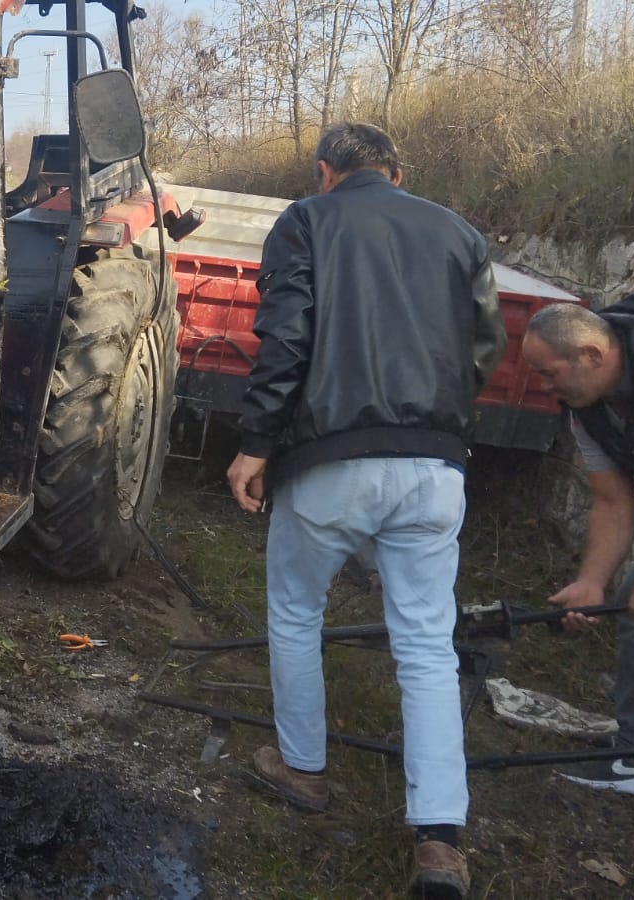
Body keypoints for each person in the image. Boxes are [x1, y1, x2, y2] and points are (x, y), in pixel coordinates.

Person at [225, 122, 505, 899]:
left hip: (331, 459)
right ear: (397, 172)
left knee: (295, 611)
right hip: (435, 467)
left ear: (325, 171)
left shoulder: (306, 221)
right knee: (427, 646)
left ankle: (302, 769)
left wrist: (255, 443)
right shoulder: (461, 233)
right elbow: (483, 349)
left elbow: (286, 339)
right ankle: (440, 842)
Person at [526, 297, 634, 795]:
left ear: (592, 355)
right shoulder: (586, 408)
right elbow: (612, 500)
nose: (544, 388)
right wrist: (591, 582)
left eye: (549, 374)